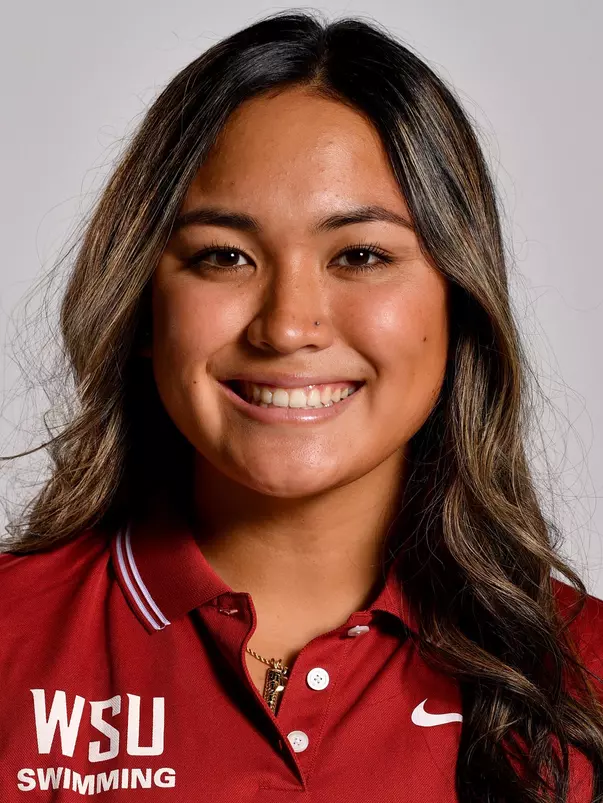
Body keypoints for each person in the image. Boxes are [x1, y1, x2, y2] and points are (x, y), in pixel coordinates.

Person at [1, 9, 602, 802]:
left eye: (359, 255)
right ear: (144, 305)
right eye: (224, 255)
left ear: (457, 304)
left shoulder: (584, 675)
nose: (287, 325)